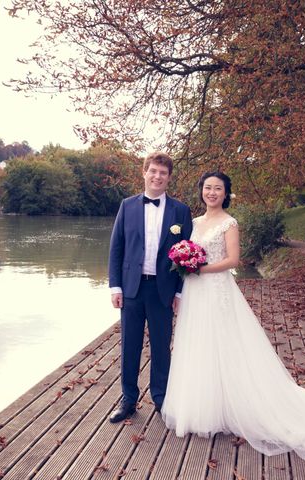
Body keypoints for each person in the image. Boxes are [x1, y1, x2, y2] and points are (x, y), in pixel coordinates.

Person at [161, 171, 305, 464]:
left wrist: (199, 269)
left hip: (216, 289)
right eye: (208, 188)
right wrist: (186, 266)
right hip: (195, 292)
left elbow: (233, 261)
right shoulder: (194, 223)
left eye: (218, 189)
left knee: (224, 344)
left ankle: (236, 406)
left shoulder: (229, 223)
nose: (212, 193)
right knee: (198, 345)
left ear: (226, 193)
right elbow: (185, 254)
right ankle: (205, 408)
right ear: (202, 191)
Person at [108, 152, 193, 423]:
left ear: (169, 178)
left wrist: (179, 291)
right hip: (132, 288)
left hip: (162, 290)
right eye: (153, 171)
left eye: (163, 173)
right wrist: (115, 287)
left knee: (160, 346)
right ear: (144, 172)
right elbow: (116, 248)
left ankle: (161, 399)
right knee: (129, 346)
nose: (157, 176)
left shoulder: (180, 211)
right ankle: (128, 400)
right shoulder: (127, 206)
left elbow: (187, 255)